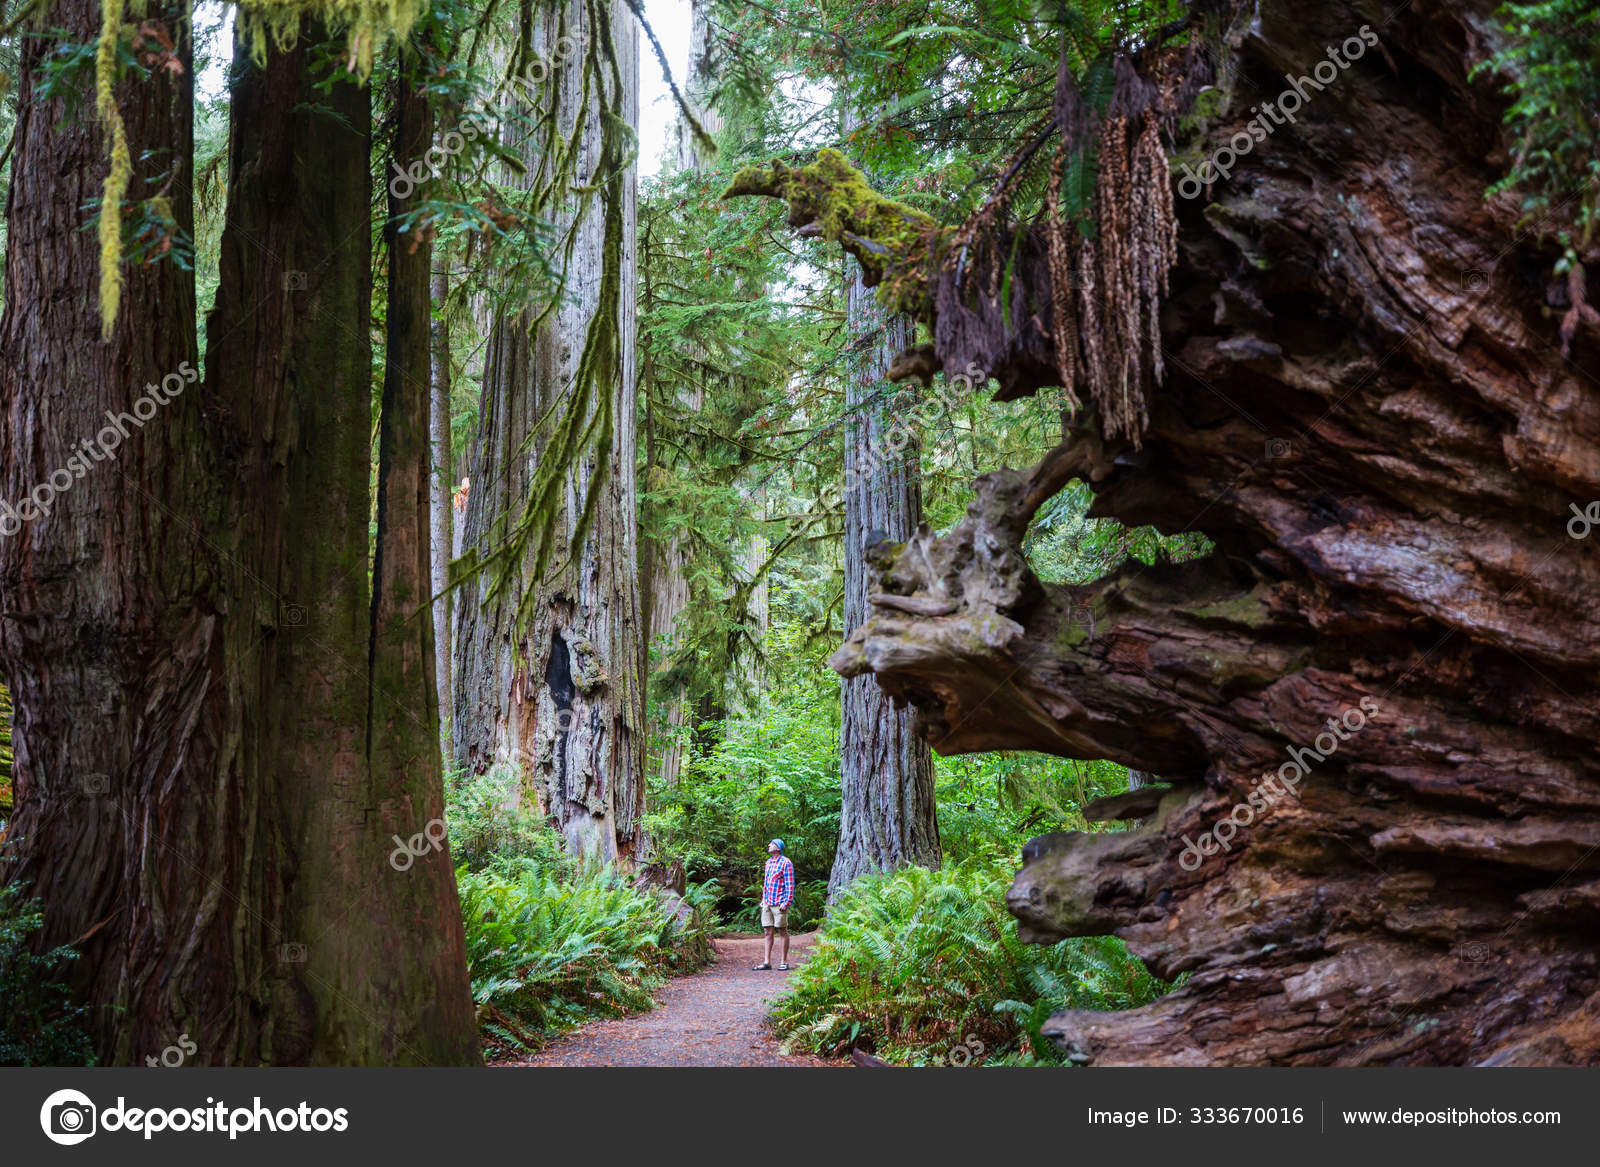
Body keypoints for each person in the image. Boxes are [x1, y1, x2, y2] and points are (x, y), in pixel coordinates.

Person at [752, 837, 795, 970]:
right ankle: (767, 962)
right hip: (767, 903)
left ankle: (784, 962)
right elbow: (766, 883)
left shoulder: (786, 863)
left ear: (778, 847)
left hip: (779, 903)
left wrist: (787, 902)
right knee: (767, 932)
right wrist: (763, 899)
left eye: (772, 844)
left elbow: (790, 884)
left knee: (782, 931)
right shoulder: (768, 862)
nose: (769, 845)